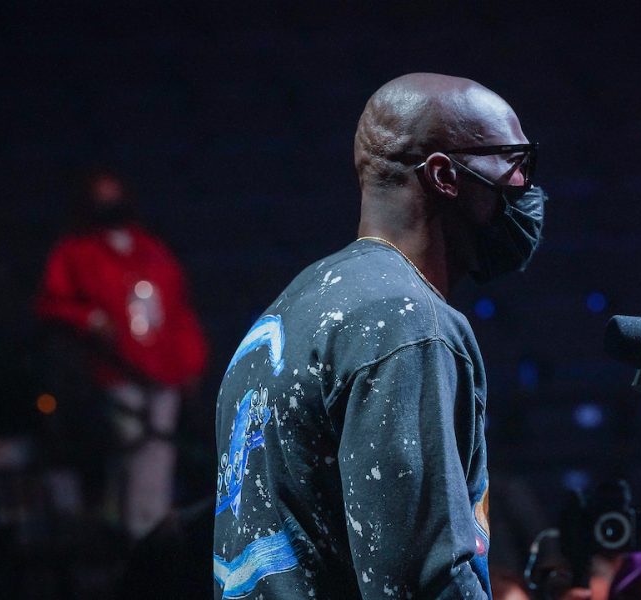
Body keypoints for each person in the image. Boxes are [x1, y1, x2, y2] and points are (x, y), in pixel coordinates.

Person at [212, 73, 546, 599]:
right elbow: (423, 579)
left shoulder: (292, 308)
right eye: (512, 161)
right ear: (445, 175)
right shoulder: (407, 322)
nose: (524, 185)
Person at [36, 170, 208, 540]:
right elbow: (52, 303)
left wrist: (191, 364)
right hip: (114, 373)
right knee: (130, 451)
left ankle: (153, 533)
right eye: (101, 196)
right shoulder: (75, 252)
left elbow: (179, 310)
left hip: (163, 372)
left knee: (159, 454)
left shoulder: (152, 249)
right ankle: (131, 535)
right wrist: (89, 319)